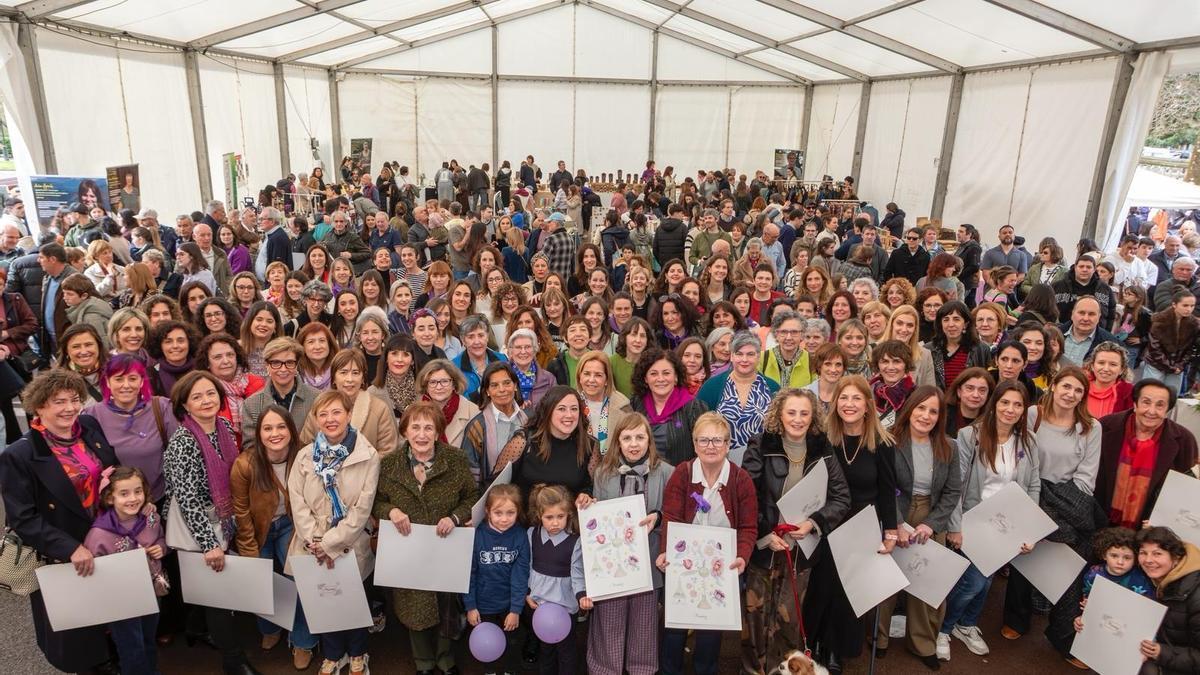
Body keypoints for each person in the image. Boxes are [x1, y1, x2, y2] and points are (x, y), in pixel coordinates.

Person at [0, 369, 119, 672]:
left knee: (109, 613)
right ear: (39, 406)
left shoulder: (88, 426)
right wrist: (69, 548)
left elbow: (111, 465)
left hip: (104, 538)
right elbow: (23, 518)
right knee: (76, 629)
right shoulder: (21, 454)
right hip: (62, 553)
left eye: (74, 399)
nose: (69, 408)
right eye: (58, 401)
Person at [741, 389, 851, 673]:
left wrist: (814, 523)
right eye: (791, 412)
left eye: (804, 413)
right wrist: (765, 535)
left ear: (813, 416)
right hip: (765, 547)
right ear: (779, 413)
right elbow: (748, 495)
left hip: (801, 552)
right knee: (755, 618)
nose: (798, 419)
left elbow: (841, 498)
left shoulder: (822, 448)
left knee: (788, 621)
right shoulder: (761, 444)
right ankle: (753, 671)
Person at [161, 371, 259, 674]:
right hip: (197, 524)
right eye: (197, 396)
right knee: (218, 595)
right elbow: (187, 499)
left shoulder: (225, 426)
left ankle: (195, 628)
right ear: (185, 405)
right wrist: (209, 544)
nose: (206, 400)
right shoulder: (183, 442)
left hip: (222, 515)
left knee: (207, 587)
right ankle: (234, 661)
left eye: (211, 394)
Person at [371, 400, 474, 675]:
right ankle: (423, 663)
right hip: (408, 549)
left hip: (444, 546)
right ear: (404, 431)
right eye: (415, 427)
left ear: (438, 430)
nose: (422, 434)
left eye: (429, 427)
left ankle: (445, 659)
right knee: (413, 606)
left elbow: (472, 498)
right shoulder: (390, 464)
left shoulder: (456, 459)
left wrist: (454, 518)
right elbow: (376, 503)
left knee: (446, 606)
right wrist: (391, 511)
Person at [803, 375, 898, 673]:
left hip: (861, 525)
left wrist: (891, 531)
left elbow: (887, 490)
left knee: (847, 593)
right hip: (827, 523)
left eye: (856, 398)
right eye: (844, 398)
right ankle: (813, 642)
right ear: (835, 404)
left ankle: (835, 649)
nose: (849, 404)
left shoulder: (882, 443)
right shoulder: (822, 438)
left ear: (868, 405)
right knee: (821, 587)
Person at [939, 382, 1039, 663]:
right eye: (1005, 403)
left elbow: (1034, 484)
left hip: (1007, 525)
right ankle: (944, 628)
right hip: (974, 521)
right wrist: (955, 526)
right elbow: (955, 484)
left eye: (1018, 405)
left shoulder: (1028, 440)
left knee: (986, 582)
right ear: (994, 404)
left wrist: (1030, 528)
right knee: (973, 582)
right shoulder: (969, 435)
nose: (1011, 409)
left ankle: (966, 624)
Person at [286, 391, 379, 675]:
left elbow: (362, 509)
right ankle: (333, 653)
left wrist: (331, 543)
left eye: (336, 412)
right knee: (323, 602)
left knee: (352, 602)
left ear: (349, 415)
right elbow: (297, 501)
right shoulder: (304, 456)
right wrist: (316, 541)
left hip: (349, 542)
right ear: (314, 419)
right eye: (323, 414)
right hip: (311, 544)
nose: (330, 419)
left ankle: (358, 652)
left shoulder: (368, 455)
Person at [657, 412, 757, 675]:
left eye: (717, 440)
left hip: (722, 567)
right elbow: (671, 517)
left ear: (727, 444)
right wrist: (666, 551)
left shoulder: (740, 479)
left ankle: (706, 669)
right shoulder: (682, 473)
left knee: (710, 633)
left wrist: (743, 557)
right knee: (674, 629)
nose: (710, 446)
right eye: (704, 440)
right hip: (684, 563)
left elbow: (748, 527)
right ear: (694, 443)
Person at [229, 406, 317, 669]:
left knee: (299, 580)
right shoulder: (245, 464)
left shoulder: (305, 457)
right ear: (259, 434)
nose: (275, 433)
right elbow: (241, 510)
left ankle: (303, 641)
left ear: (291, 429)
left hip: (291, 525)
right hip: (257, 529)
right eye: (267, 428)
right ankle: (270, 627)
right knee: (262, 582)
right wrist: (249, 550)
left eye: (281, 427)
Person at [585, 413, 672, 675]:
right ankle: (604, 669)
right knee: (608, 620)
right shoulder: (602, 473)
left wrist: (659, 517)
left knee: (644, 623)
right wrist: (588, 507)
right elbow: (597, 519)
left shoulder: (667, 472)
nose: (634, 444)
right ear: (617, 442)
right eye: (627, 438)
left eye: (639, 437)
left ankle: (642, 669)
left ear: (649, 440)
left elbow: (678, 514)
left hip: (650, 560)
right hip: (613, 565)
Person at [1095, 379, 1198, 529]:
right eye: (1146, 402)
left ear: (1168, 409)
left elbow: (1185, 490)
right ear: (1135, 404)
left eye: (1160, 405)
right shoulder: (1106, 427)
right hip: (1100, 520)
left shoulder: (1183, 440)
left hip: (1149, 530)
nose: (1151, 411)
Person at [1104, 526, 1200, 675]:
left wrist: (1160, 652)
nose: (1148, 560)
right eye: (1143, 553)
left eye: (1157, 553)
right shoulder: (1148, 577)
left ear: (1175, 557)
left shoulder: (1195, 596)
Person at [525, 483, 592, 674]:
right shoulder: (532, 535)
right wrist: (527, 592)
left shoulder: (575, 541)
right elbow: (527, 566)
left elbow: (577, 573)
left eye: (560, 517)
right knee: (545, 649)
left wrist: (582, 596)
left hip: (564, 604)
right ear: (539, 516)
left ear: (569, 515)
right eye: (549, 517)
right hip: (539, 604)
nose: (555, 522)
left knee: (567, 650)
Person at [464, 483, 531, 675]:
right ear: (487, 512)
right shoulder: (477, 536)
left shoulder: (520, 536)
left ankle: (510, 670)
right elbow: (469, 574)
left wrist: (516, 609)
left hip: (508, 604)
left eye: (510, 513)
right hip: (483, 604)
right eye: (498, 513)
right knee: (487, 643)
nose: (504, 519)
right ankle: (490, 671)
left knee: (512, 642)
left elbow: (521, 575)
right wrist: (470, 606)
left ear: (518, 512)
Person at [510, 385, 596, 501]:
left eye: (574, 409)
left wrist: (586, 495)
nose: (569, 415)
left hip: (568, 517)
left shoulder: (589, 444)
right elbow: (497, 485)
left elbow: (591, 486)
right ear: (548, 411)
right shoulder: (524, 440)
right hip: (525, 517)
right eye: (561, 409)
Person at [629, 348, 708, 465]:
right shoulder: (636, 403)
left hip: (680, 478)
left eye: (666, 373)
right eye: (653, 373)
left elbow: (704, 449)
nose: (660, 379)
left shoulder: (693, 407)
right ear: (645, 378)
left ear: (676, 377)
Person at [241, 337, 320, 452]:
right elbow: (251, 447)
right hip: (268, 466)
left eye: (289, 363)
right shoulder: (251, 404)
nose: (283, 369)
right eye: (276, 363)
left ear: (296, 365)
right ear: (267, 366)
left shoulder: (316, 398)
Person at [414, 358, 480, 449]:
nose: (439, 387)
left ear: (454, 384)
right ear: (426, 386)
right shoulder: (412, 412)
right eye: (433, 382)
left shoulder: (474, 412)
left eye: (444, 381)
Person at [1143, 288, 1199, 394]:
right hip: (1156, 364)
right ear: (1174, 304)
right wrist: (1170, 366)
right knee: (1150, 394)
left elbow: (1191, 348)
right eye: (1185, 305)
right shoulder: (1160, 320)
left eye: (1192, 306)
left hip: (1177, 366)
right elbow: (1154, 347)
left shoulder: (1194, 324)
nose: (1189, 309)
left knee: (1172, 397)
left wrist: (1180, 365)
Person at [506, 327, 557, 410]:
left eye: (527, 347)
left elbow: (555, 406)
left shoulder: (549, 379)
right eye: (518, 347)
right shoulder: (500, 376)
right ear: (511, 352)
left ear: (535, 350)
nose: (523, 352)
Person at [1084, 341, 1134, 418]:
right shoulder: (1080, 386)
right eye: (1101, 363)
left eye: (1113, 364)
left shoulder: (1129, 393)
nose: (1106, 369)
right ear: (1092, 366)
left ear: (1122, 369)